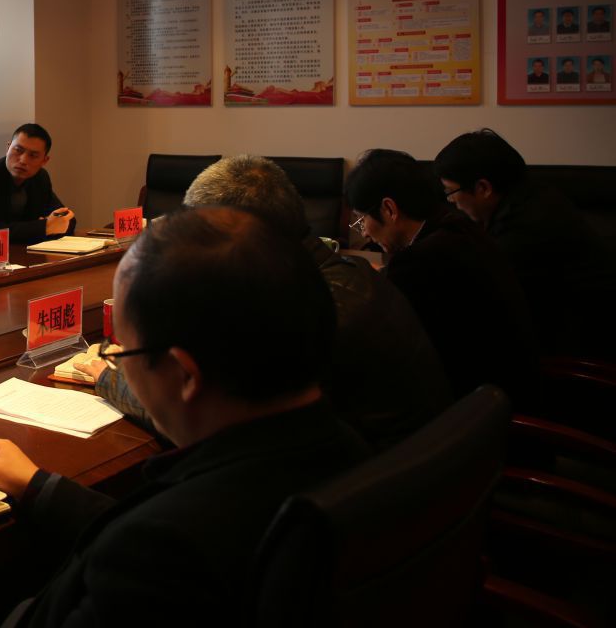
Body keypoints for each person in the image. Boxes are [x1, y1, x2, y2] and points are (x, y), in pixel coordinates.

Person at [0, 207, 366, 626]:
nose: (117, 363)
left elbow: (155, 543)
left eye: (124, 352)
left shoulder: (160, 555)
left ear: (185, 375)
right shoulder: (345, 450)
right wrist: (41, 487)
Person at [81, 155, 450, 450]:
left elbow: (217, 424)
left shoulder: (299, 317)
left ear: (247, 238)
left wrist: (110, 377)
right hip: (406, 475)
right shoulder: (350, 273)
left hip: (363, 493)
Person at [345, 149, 534, 398]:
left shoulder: (418, 262)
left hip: (474, 403)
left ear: (389, 209)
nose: (365, 233)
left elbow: (389, 344)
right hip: (510, 383)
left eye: (362, 220)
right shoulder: (459, 225)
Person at [434, 129, 612, 357]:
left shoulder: (527, 227)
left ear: (483, 188)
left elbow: (482, 290)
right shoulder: (532, 195)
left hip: (579, 347)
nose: (451, 201)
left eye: (451, 192)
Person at [0, 123, 75, 243]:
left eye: (33, 155)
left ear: (44, 161)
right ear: (8, 148)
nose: (23, 160)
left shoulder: (40, 178)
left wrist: (49, 225)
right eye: (18, 150)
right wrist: (44, 226)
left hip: (24, 250)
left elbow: (68, 220)